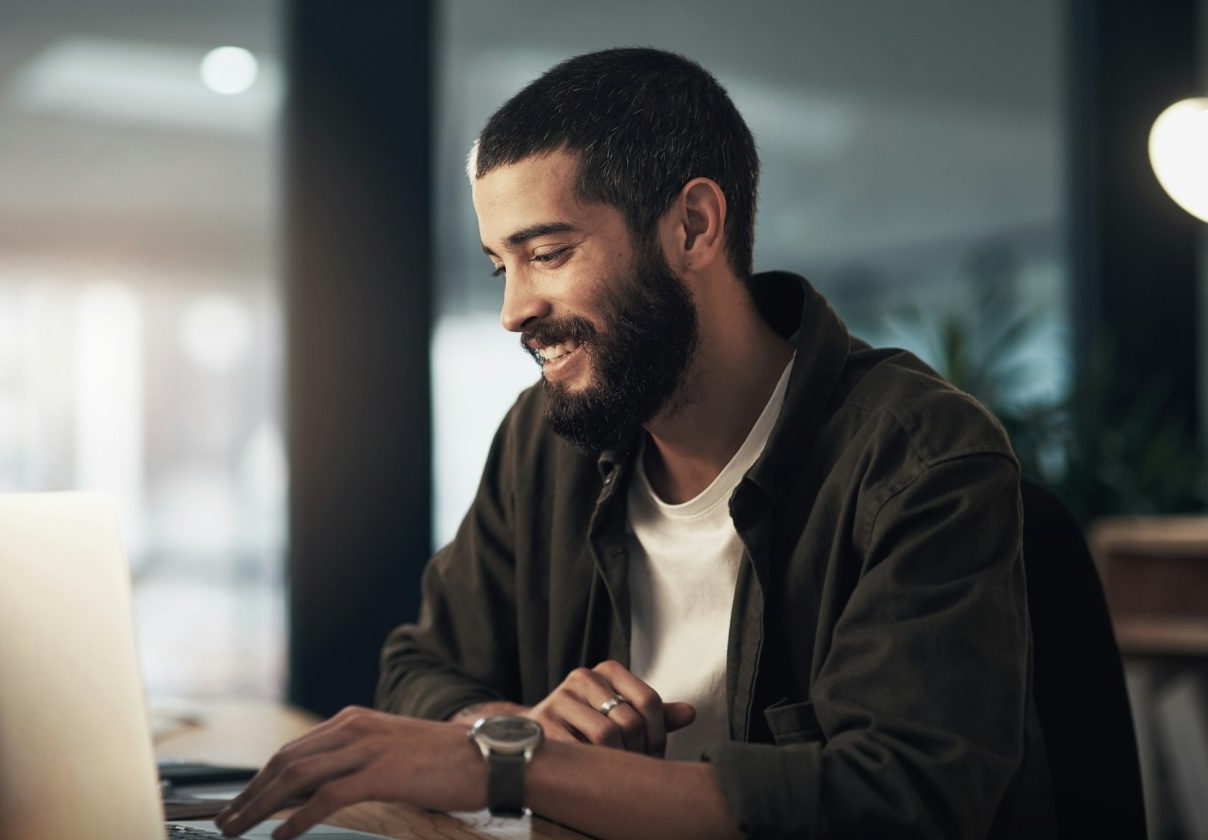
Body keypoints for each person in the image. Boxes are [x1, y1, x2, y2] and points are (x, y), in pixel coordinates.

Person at [217, 47, 1053, 840]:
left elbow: (899, 803)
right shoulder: (543, 441)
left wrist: (511, 766)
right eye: (499, 266)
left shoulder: (919, 457)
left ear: (692, 225)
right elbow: (422, 664)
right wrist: (499, 728)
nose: (513, 310)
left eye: (547, 252)